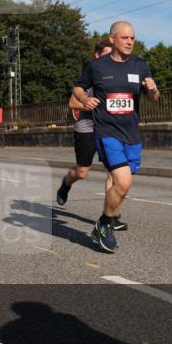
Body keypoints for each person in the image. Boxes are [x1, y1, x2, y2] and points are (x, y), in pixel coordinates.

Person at [73, 21, 160, 253]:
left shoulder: (140, 65)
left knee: (123, 186)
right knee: (123, 181)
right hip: (106, 132)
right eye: (125, 38)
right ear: (112, 39)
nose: (130, 42)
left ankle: (104, 221)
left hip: (131, 134)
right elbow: (78, 88)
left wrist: (152, 89)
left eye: (133, 38)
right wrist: (84, 100)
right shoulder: (97, 66)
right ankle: (105, 223)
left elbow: (153, 99)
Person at [56, 40, 124, 228]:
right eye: (105, 54)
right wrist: (88, 103)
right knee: (82, 172)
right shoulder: (91, 73)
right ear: (97, 55)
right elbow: (72, 102)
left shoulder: (116, 74)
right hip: (86, 128)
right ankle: (66, 184)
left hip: (108, 129)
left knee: (114, 172)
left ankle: (110, 217)